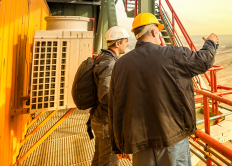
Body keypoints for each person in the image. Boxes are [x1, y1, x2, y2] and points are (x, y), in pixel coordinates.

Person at [108, 13, 219, 166]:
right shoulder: (173, 55)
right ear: (154, 32)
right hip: (172, 138)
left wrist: (117, 144)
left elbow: (114, 105)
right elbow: (204, 60)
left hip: (140, 143)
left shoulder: (120, 64)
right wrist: (211, 43)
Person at [91, 26, 130, 166]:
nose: (128, 44)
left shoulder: (103, 58)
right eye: (126, 41)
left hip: (99, 118)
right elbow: (105, 95)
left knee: (99, 160)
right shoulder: (110, 63)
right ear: (117, 44)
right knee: (109, 162)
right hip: (105, 123)